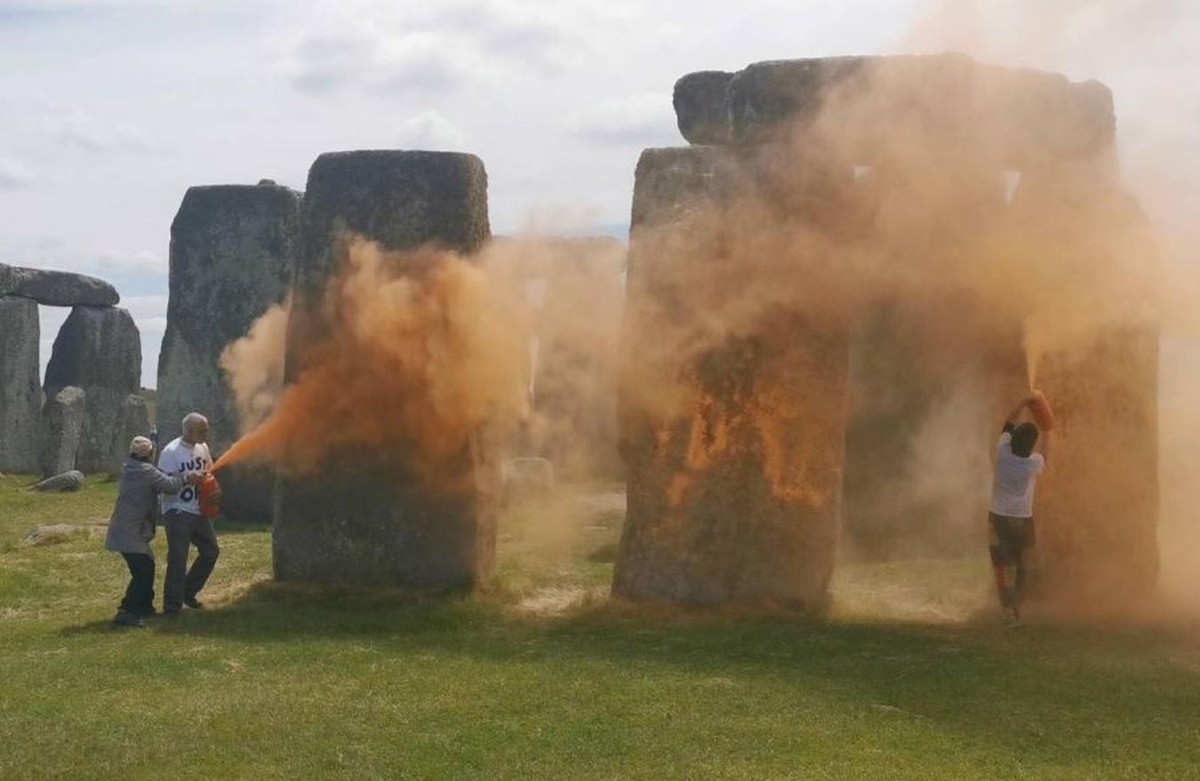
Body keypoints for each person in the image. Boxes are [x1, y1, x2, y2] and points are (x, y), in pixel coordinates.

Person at [105, 436, 201, 628]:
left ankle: (144, 607)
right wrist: (187, 478)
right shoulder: (146, 471)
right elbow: (169, 486)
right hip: (130, 530)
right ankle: (127, 611)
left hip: (123, 528)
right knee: (143, 572)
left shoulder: (129, 467)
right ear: (149, 454)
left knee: (146, 567)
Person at [988, 394, 1050, 628]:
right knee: (1024, 566)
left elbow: (1009, 420)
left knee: (1003, 567)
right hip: (1023, 522)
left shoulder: (1003, 451)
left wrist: (1023, 402)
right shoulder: (1032, 463)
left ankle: (1009, 613)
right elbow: (1047, 456)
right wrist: (1048, 431)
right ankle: (1017, 607)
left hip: (998, 519)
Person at [157, 412, 218, 615]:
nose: (206, 434)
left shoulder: (202, 447)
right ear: (189, 431)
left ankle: (187, 592)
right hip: (177, 510)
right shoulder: (170, 452)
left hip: (198, 509)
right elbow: (163, 486)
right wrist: (185, 479)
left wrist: (212, 489)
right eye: (203, 430)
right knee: (178, 557)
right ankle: (172, 607)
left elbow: (209, 471)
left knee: (211, 551)